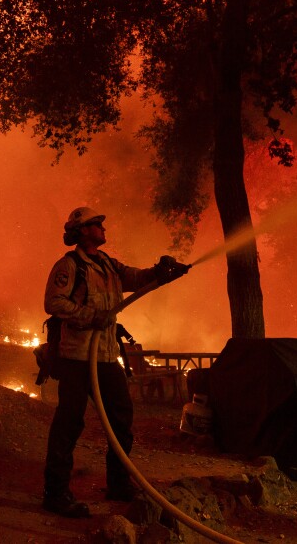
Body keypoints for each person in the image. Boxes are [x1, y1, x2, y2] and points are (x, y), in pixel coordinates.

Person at [41, 206, 189, 518]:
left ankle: (119, 484)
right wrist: (91, 316)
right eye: (97, 224)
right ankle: (55, 494)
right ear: (83, 230)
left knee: (121, 418)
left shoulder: (107, 264)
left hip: (106, 356)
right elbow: (53, 302)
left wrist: (160, 272)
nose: (103, 228)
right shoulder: (69, 266)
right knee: (69, 422)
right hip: (77, 357)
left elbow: (134, 278)